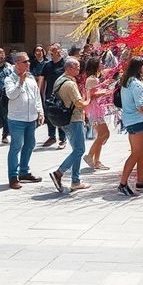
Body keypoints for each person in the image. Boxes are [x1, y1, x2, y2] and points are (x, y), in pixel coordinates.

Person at [49, 57, 91, 193]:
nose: (79, 69)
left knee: (76, 150)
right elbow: (79, 103)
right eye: (77, 67)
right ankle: (59, 173)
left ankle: (76, 181)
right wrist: (90, 98)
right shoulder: (70, 84)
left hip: (64, 120)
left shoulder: (59, 80)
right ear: (69, 68)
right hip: (74, 119)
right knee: (79, 150)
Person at [118, 56, 143, 196]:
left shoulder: (128, 81)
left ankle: (141, 181)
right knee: (137, 152)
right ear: (138, 67)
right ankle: (123, 184)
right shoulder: (135, 83)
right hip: (137, 120)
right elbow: (140, 106)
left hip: (132, 120)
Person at [4, 51, 44, 189]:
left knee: (30, 144)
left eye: (28, 61)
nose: (28, 63)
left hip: (31, 118)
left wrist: (40, 111)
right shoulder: (10, 79)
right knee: (16, 146)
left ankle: (24, 171)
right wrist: (20, 82)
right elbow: (11, 95)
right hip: (16, 118)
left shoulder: (31, 77)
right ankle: (13, 176)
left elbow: (36, 95)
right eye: (25, 62)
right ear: (17, 64)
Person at [82, 56, 111, 171]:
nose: (102, 64)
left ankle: (97, 161)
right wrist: (103, 93)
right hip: (94, 110)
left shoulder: (94, 78)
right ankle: (90, 156)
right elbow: (90, 96)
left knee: (101, 135)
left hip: (96, 109)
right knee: (105, 134)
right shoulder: (92, 79)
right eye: (100, 63)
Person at [38, 44, 66, 148]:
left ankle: (63, 139)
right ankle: (52, 136)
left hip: (62, 94)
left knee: (61, 116)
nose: (53, 53)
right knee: (50, 115)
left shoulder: (65, 64)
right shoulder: (47, 65)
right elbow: (41, 79)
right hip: (50, 94)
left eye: (55, 50)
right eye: (51, 51)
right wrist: (38, 93)